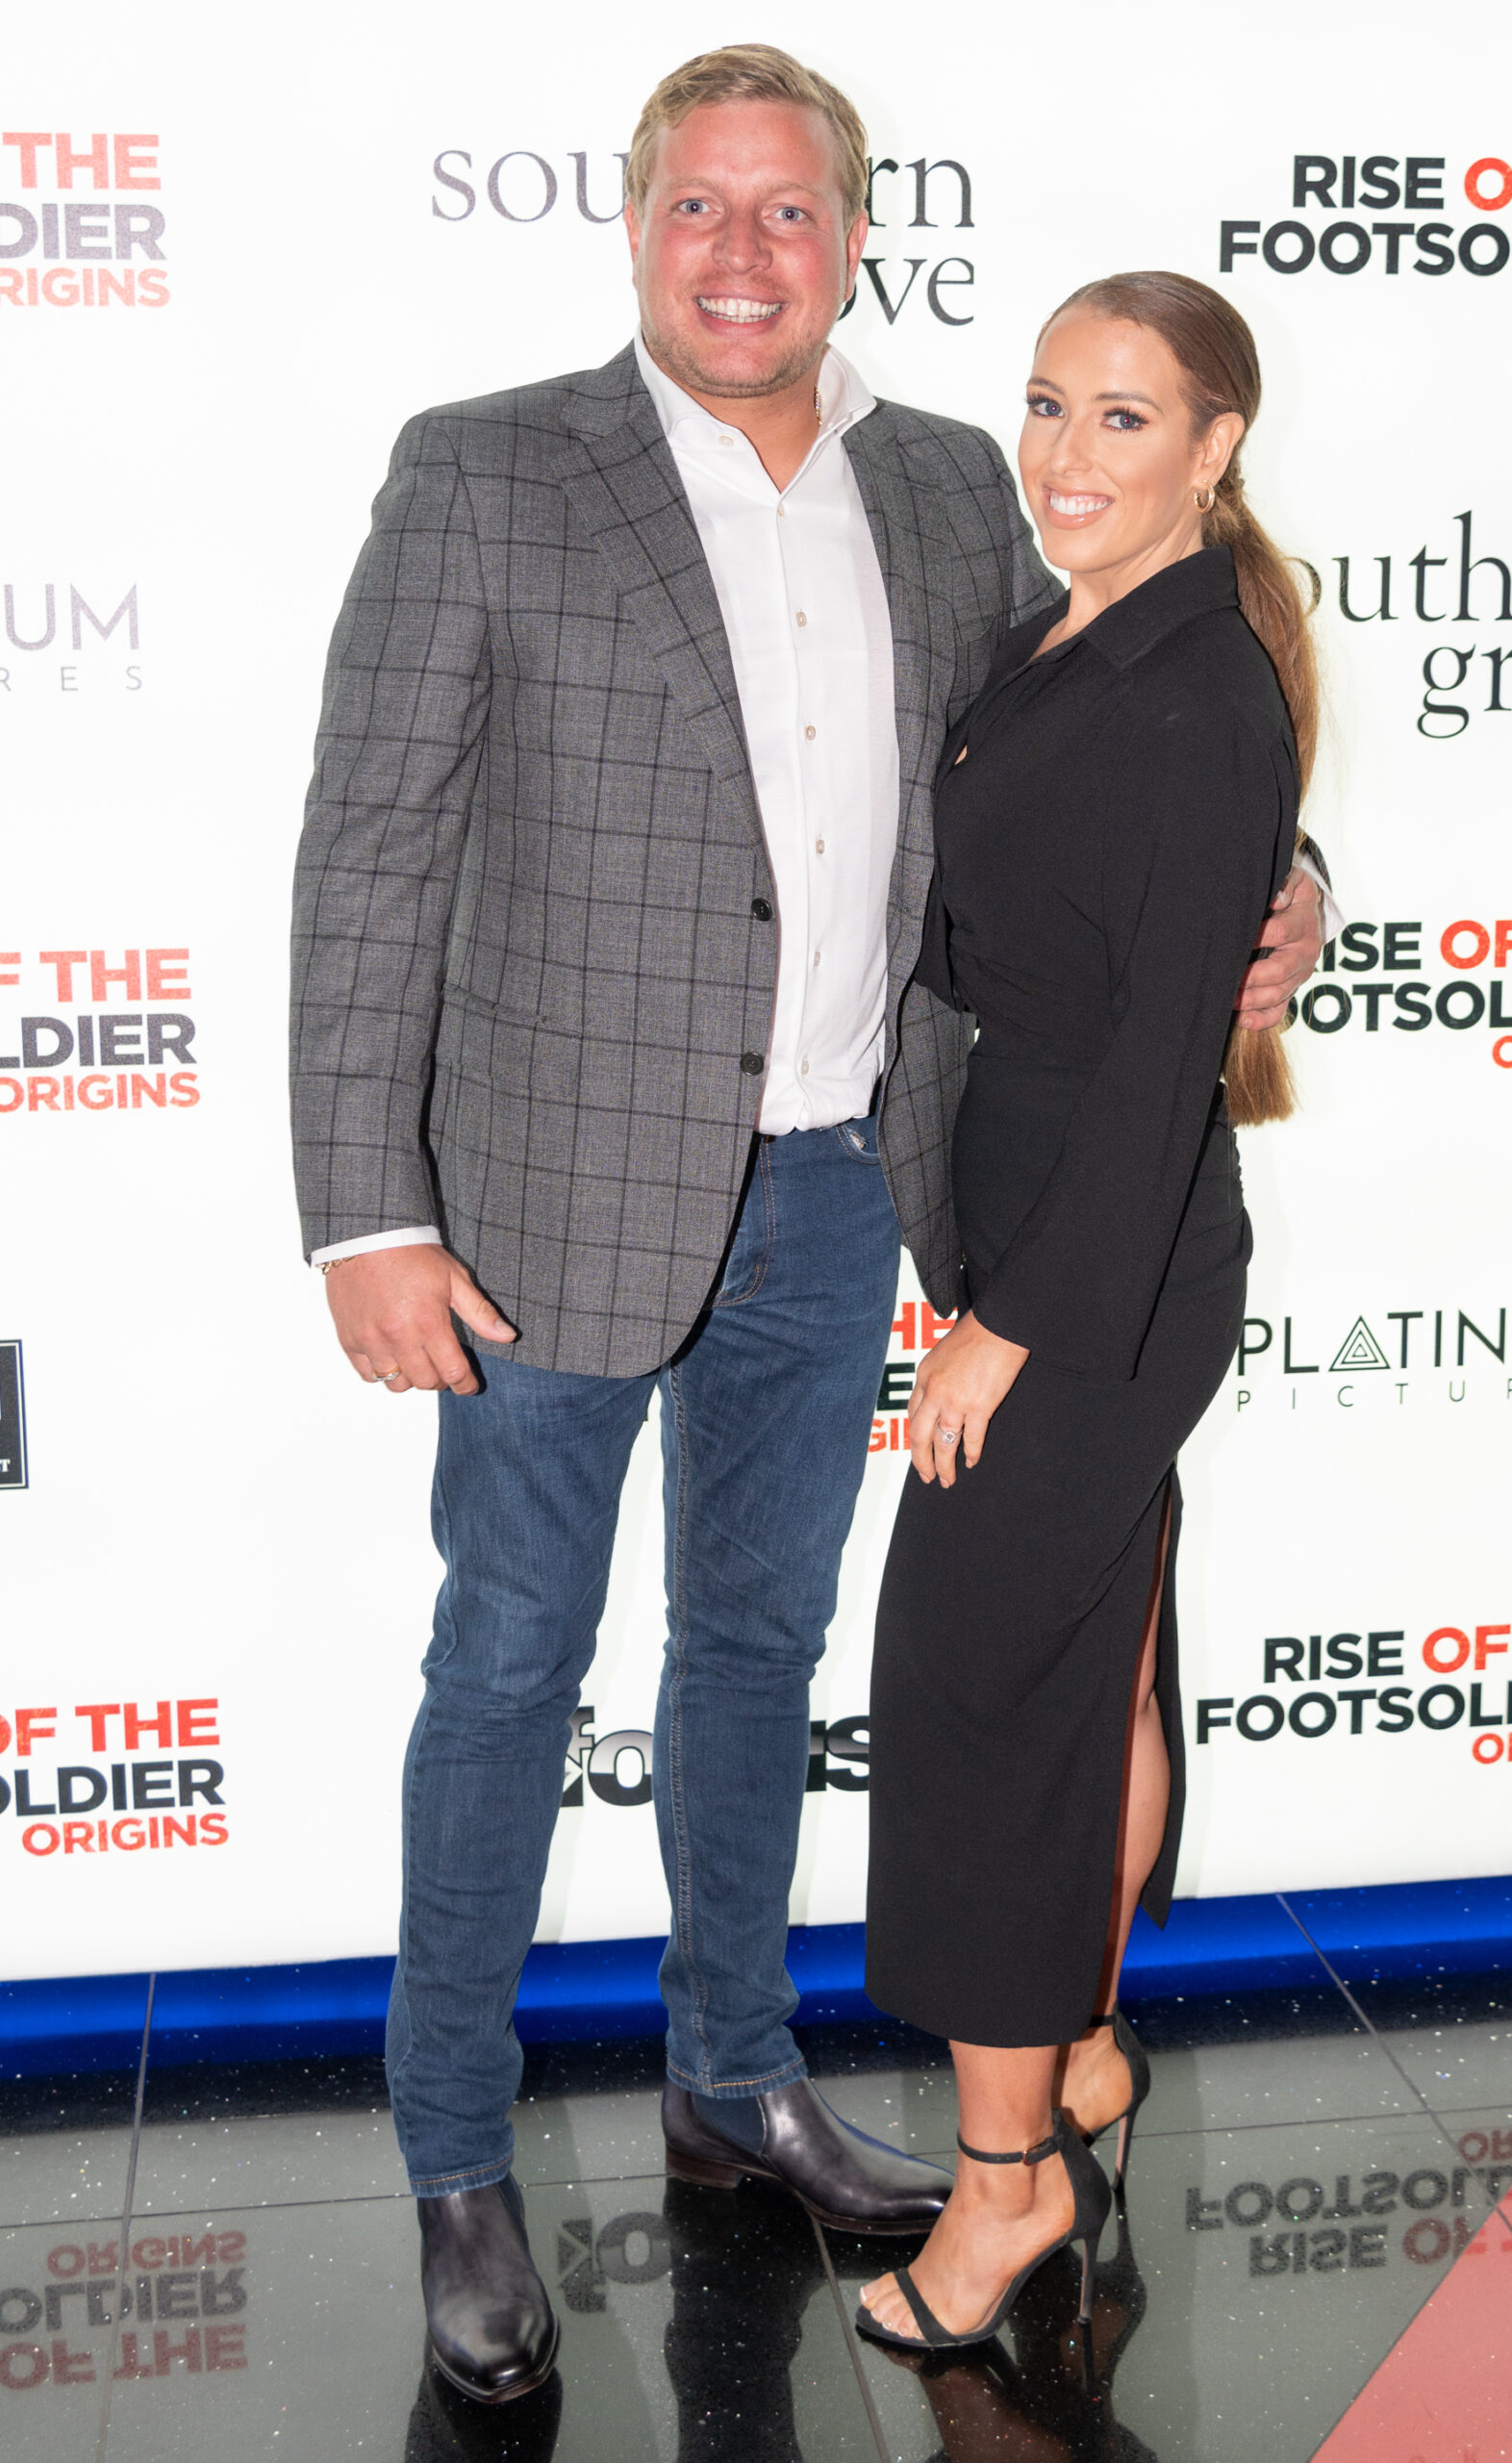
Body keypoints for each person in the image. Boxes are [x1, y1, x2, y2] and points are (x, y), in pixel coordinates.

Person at [290, 41, 1327, 2402]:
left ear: (857, 234)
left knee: (756, 1656)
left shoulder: (958, 483)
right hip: (542, 1208)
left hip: (859, 1182)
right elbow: (366, 861)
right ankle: (457, 2149)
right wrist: (367, 1199)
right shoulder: (485, 472)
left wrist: (1292, 899)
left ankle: (733, 2066)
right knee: (507, 1673)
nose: (743, 251)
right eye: (700, 208)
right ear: (636, 222)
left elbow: (1114, 754)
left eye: (791, 212)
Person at [859, 273, 1315, 2351]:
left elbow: (1155, 1065)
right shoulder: (1079, 626)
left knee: (977, 1695)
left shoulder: (1195, 681)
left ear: (1215, 446)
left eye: (1124, 420)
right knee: (1088, 1661)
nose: (1065, 456)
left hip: (1095, 1257)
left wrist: (1006, 1322)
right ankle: (1086, 2046)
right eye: (1048, 404)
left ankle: (1008, 2175)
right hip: (1035, 1213)